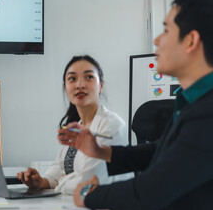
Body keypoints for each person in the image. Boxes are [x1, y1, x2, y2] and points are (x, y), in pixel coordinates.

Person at [58, 0, 213, 210]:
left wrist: (89, 194)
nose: (157, 40)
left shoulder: (207, 113)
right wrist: (101, 151)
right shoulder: (193, 103)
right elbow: (159, 151)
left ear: (191, 41)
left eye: (166, 31)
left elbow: (151, 191)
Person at [17, 55, 132, 194]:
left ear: (101, 85)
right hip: (78, 205)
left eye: (89, 77)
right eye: (72, 78)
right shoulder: (78, 126)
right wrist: (41, 181)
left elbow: (91, 182)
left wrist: (62, 182)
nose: (80, 85)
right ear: (65, 88)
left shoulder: (112, 126)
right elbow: (60, 167)